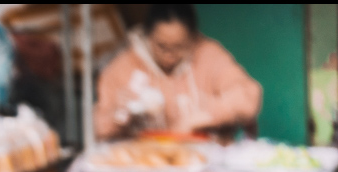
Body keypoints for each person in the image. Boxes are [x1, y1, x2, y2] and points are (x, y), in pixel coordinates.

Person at [93, 4, 261, 141]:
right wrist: (117, 114)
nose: (169, 56)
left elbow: (248, 97)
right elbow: (99, 128)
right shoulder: (124, 66)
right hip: (145, 163)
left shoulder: (208, 55)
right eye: (161, 46)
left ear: (193, 39)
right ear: (147, 36)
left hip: (204, 159)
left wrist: (198, 118)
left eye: (179, 47)